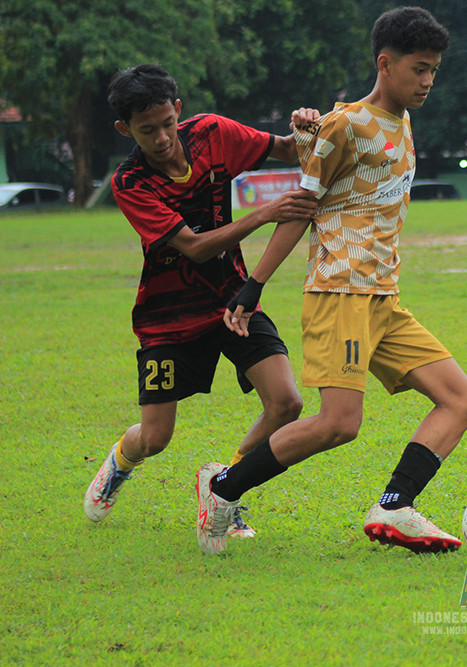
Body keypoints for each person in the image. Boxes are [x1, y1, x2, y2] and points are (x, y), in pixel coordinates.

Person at [194, 6, 467, 556]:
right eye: (419, 68)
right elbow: (303, 206)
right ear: (385, 63)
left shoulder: (400, 121)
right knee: (338, 424)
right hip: (338, 292)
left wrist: (307, 130)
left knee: (461, 399)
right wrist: (254, 285)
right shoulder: (344, 124)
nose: (427, 80)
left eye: (434, 70)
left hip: (383, 299)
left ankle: (395, 507)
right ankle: (222, 490)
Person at [84, 64, 318, 538]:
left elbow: (290, 150)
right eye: (147, 131)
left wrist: (307, 125)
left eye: (168, 123)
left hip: (232, 299)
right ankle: (117, 466)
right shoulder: (130, 182)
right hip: (168, 318)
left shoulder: (213, 133)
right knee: (155, 438)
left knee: (287, 403)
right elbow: (193, 246)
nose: (163, 137)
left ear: (179, 111)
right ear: (124, 129)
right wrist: (266, 213)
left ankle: (224, 488)